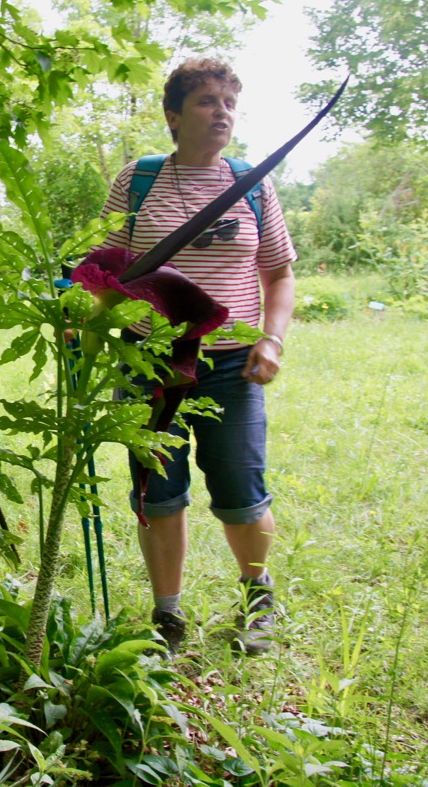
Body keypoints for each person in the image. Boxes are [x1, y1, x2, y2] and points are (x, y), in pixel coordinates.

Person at [95, 58, 296, 655]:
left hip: (232, 364)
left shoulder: (253, 183)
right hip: (148, 361)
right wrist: (83, 326)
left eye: (230, 102)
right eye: (207, 101)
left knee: (240, 485)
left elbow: (280, 274)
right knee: (157, 491)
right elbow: (101, 271)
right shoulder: (138, 181)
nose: (222, 112)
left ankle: (258, 596)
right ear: (173, 116)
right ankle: (168, 617)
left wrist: (273, 338)